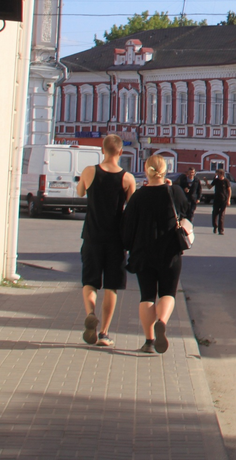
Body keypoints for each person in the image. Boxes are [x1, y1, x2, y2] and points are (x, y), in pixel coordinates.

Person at [122, 154, 188, 354]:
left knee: (147, 296)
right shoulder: (174, 192)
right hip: (170, 252)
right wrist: (171, 187)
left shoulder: (138, 196)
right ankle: (162, 321)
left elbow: (127, 225)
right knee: (168, 293)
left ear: (146, 170)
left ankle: (149, 341)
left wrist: (128, 246)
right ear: (165, 170)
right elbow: (187, 210)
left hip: (144, 252)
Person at [75, 134, 136, 348]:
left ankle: (91, 313)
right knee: (111, 287)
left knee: (90, 281)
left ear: (103, 150)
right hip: (116, 241)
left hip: (91, 236)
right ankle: (104, 333)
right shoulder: (127, 178)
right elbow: (132, 207)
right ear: (120, 152)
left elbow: (81, 191)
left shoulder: (89, 171)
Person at [211, 168, 231, 235]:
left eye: (218, 173)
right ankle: (215, 226)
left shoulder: (226, 181)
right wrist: (206, 182)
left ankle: (221, 230)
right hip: (216, 199)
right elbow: (209, 187)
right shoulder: (216, 180)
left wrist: (228, 200)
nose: (217, 175)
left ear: (221, 174)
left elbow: (229, 190)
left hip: (223, 200)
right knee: (215, 214)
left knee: (221, 215)